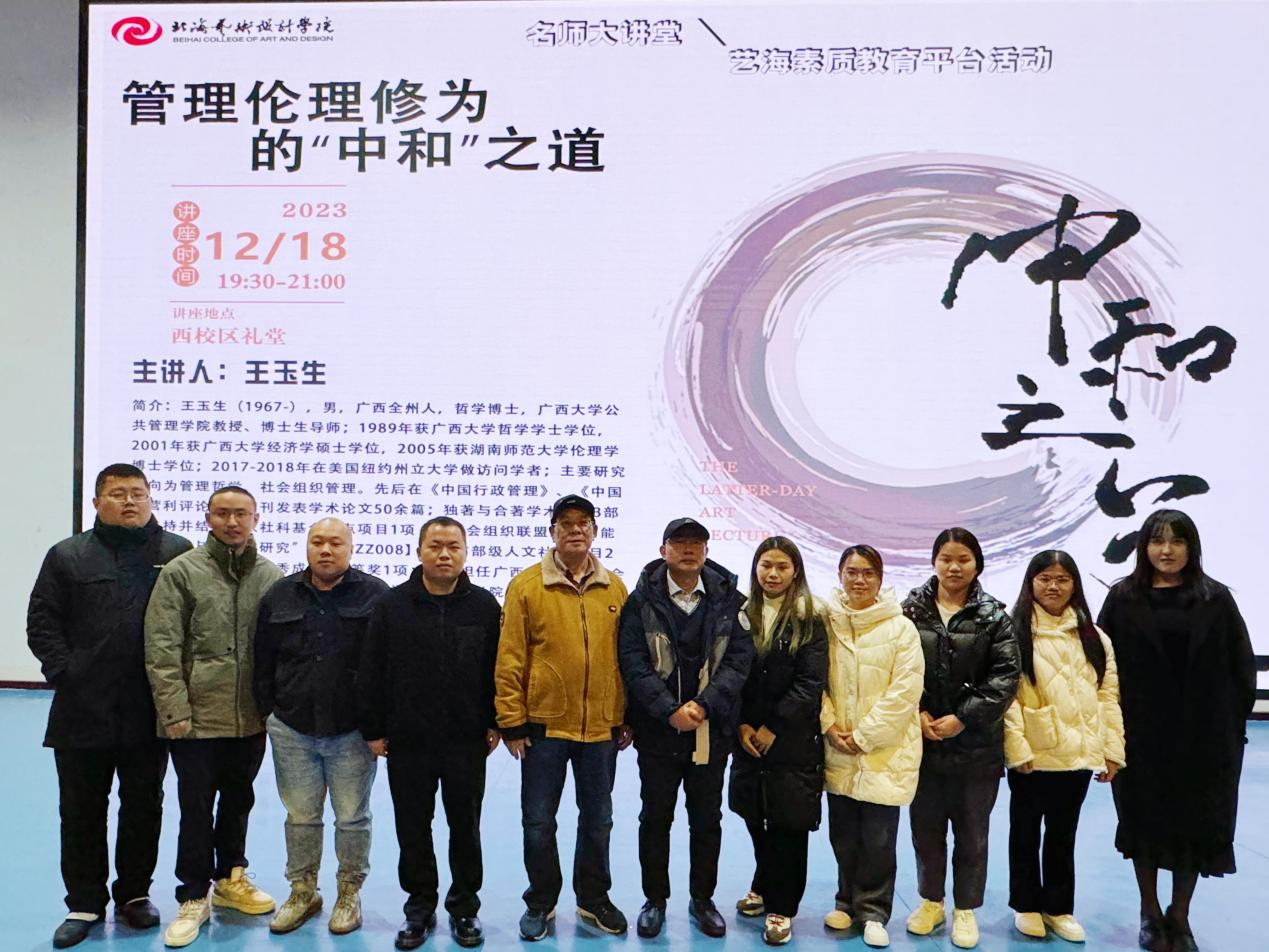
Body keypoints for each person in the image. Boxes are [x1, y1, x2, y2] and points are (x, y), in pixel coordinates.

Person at [27, 464, 191, 949]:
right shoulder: (68, 555)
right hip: (83, 707)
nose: (129, 501)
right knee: (81, 808)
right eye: (117, 494)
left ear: (150, 498)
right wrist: (67, 672)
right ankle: (84, 902)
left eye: (138, 493)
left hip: (149, 707)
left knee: (144, 804)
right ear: (97, 502)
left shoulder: (176, 552)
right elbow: (42, 622)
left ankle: (134, 895)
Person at [1096, 510, 1255, 952]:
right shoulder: (1123, 598)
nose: (1166, 550)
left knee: (1196, 825)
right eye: (1157, 540)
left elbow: (1241, 667)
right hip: (1141, 737)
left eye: (1177, 541)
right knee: (1143, 823)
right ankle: (1149, 912)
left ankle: (1180, 915)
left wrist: (1229, 726)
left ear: (1191, 547)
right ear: (1143, 547)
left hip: (1204, 739)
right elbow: (1101, 666)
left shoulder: (1215, 599)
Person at [144, 485, 284, 948]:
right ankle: (192, 893)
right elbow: (161, 646)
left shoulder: (269, 575)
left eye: (241, 514)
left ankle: (230, 879)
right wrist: (174, 711)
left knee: (239, 800)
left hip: (250, 717)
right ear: (208, 518)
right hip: (195, 719)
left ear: (256, 519)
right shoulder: (182, 572)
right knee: (196, 806)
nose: (232, 522)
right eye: (223, 513)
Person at [359, 516, 501, 950]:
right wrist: (374, 730)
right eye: (435, 546)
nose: (444, 554)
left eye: (453, 546)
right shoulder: (392, 605)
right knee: (413, 827)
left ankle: (464, 907)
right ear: (419, 550)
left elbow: (497, 670)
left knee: (465, 826)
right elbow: (372, 669)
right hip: (408, 741)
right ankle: (419, 907)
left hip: (466, 740)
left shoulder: (483, 606)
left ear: (465, 552)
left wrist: (496, 721)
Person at [495, 494, 633, 940]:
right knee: (539, 820)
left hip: (600, 728)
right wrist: (512, 721)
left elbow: (627, 659)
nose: (575, 529)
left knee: (598, 819)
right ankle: (541, 901)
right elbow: (510, 658)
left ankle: (593, 900)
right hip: (544, 726)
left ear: (594, 530)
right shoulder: (527, 586)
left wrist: (625, 714)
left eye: (584, 522)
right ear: (552, 531)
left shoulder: (614, 588)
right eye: (566, 523)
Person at [618, 517, 753, 940]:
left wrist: (704, 704)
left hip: (711, 732)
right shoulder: (640, 602)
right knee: (655, 818)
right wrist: (668, 710)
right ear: (664, 551)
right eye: (679, 543)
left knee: (706, 820)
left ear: (707, 551)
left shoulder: (731, 601)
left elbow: (738, 662)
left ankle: (702, 899)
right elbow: (633, 664)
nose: (689, 549)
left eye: (697, 542)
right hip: (659, 734)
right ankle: (654, 900)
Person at [253, 518, 388, 935]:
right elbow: (262, 660)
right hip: (293, 728)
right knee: (301, 816)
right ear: (307, 546)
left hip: (352, 731)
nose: (326, 550)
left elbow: (387, 665)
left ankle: (349, 893)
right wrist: (269, 712)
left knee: (352, 817)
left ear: (350, 547)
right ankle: (303, 891)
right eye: (317, 542)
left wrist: (378, 724)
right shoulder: (279, 594)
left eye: (335, 543)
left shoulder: (376, 596)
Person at [901, 527, 1019, 950]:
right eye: (946, 558)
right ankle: (931, 902)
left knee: (972, 833)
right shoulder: (910, 612)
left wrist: (963, 718)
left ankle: (965, 909)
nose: (954, 567)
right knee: (925, 830)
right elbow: (897, 668)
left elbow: (1005, 678)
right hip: (923, 743)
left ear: (977, 565)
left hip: (976, 747)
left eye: (963, 559)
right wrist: (916, 712)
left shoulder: (994, 617)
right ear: (934, 562)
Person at [1003, 550, 1125, 943]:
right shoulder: (1014, 632)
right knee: (1025, 832)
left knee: (1063, 833)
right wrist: (1017, 749)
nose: (1053, 586)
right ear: (1031, 583)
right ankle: (1026, 905)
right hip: (1033, 754)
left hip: (1078, 755)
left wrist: (1111, 750)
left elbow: (1108, 695)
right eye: (1045, 579)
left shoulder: (1094, 637)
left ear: (1074, 585)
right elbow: (1008, 698)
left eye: (1062, 579)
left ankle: (1058, 908)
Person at [821, 544, 925, 949]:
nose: (859, 580)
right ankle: (845, 902)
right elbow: (815, 679)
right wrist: (830, 725)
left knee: (879, 839)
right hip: (837, 745)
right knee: (843, 834)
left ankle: (874, 912)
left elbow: (905, 691)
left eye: (868, 573)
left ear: (880, 579)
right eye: (852, 572)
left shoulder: (901, 628)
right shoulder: (828, 622)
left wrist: (864, 736)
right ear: (840, 575)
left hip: (884, 750)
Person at [726, 537, 826, 946]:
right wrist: (741, 725)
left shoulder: (810, 618)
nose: (772, 574)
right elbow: (728, 674)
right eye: (766, 565)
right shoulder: (739, 615)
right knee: (755, 814)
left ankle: (782, 906)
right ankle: (763, 882)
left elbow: (810, 682)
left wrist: (774, 726)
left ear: (795, 571)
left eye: (782, 566)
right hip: (747, 737)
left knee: (788, 825)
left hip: (792, 741)